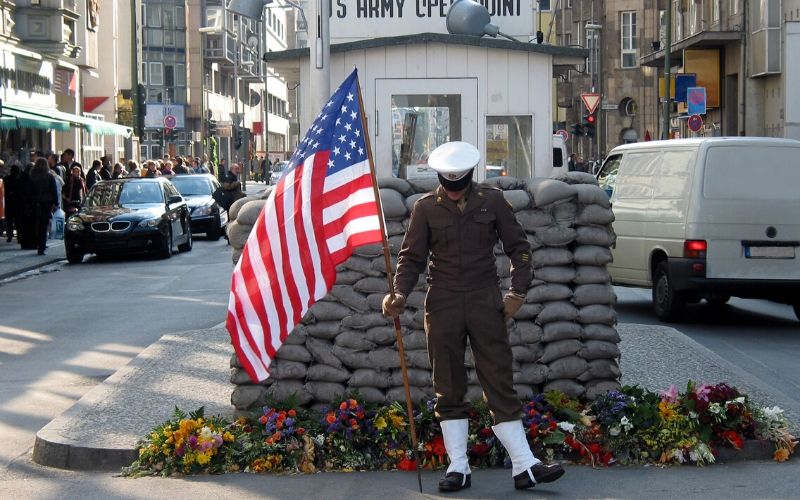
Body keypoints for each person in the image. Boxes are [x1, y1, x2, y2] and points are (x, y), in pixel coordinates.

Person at [382, 141, 564, 492]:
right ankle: (458, 467)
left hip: (485, 300)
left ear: (469, 178)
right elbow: (410, 258)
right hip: (443, 302)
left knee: (498, 378)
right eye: (447, 185)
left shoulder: (492, 201)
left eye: (458, 185)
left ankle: (524, 465)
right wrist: (399, 293)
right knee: (447, 383)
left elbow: (519, 249)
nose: (452, 192)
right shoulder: (425, 209)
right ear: (439, 179)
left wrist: (517, 293)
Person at [26, 158, 58, 255]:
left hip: (35, 202)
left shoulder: (32, 176)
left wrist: (29, 202)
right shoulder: (49, 176)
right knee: (43, 225)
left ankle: (35, 243)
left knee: (36, 223)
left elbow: (28, 191)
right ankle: (42, 246)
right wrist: (56, 203)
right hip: (46, 202)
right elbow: (54, 190)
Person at [3, 163, 20, 242]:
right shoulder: (20, 179)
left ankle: (9, 235)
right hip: (17, 203)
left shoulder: (6, 179)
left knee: (9, 221)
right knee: (18, 221)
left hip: (8, 202)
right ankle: (19, 236)